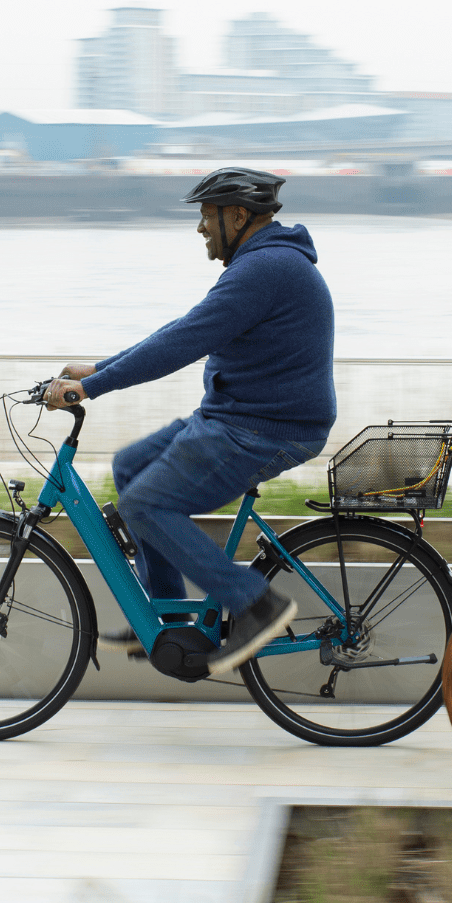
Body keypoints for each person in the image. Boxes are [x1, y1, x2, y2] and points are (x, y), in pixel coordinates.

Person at [45, 166, 336, 676]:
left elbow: (182, 343)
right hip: (237, 415)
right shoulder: (261, 264)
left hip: (265, 428)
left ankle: (256, 602)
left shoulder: (267, 269)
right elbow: (182, 330)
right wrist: (100, 367)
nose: (201, 228)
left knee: (146, 503)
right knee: (131, 467)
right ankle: (166, 620)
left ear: (238, 215)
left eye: (206, 216)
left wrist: (90, 387)